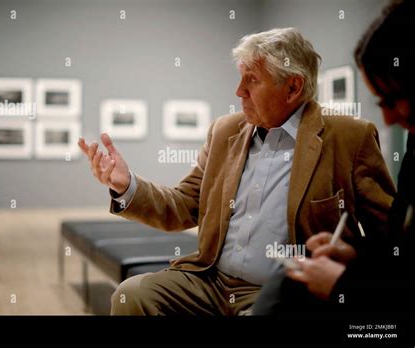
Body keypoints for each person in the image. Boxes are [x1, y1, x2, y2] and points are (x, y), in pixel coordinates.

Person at [78, 28, 395, 315]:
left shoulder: (350, 138)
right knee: (131, 295)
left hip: (280, 293)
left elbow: (390, 237)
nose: (238, 91)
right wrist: (126, 185)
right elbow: (183, 205)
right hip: (210, 280)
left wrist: (348, 260)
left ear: (293, 87)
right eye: (240, 77)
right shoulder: (224, 131)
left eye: (252, 80)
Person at [252, 0, 415, 315]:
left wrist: (343, 285)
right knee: (285, 284)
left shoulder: (352, 136)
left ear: (293, 87)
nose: (389, 118)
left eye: (393, 99)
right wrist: (353, 253)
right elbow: (397, 246)